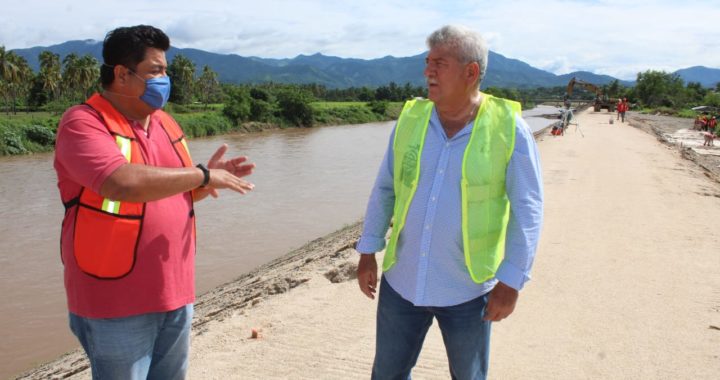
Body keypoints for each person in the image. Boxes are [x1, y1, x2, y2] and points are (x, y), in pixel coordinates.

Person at [54, 25, 255, 379]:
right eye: (156, 70)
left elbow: (171, 193)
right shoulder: (83, 123)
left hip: (175, 291)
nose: (166, 78)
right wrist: (203, 175)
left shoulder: (164, 124)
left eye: (166, 70)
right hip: (115, 299)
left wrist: (205, 182)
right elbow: (121, 183)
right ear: (121, 74)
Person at [355, 25, 543, 380]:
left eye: (439, 63)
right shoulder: (411, 120)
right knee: (387, 374)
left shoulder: (509, 129)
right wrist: (368, 251)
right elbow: (385, 189)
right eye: (428, 62)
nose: (428, 71)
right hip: (402, 283)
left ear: (470, 72)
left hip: (468, 291)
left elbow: (528, 209)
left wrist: (512, 281)